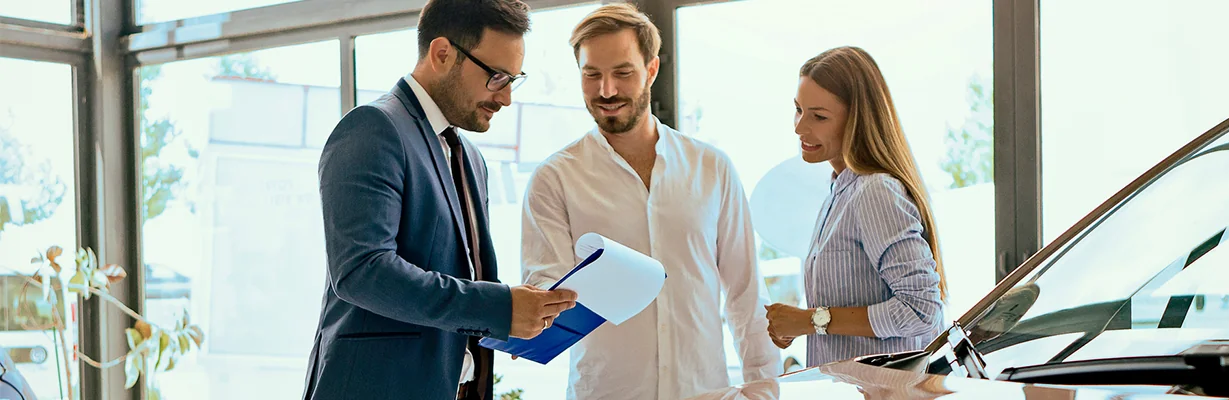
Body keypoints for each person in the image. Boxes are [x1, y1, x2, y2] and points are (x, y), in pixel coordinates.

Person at [303, 1, 577, 399]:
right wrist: (497, 308)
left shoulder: (470, 157)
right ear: (442, 54)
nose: (506, 99)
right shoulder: (372, 129)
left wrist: (517, 319)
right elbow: (362, 271)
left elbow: (456, 276)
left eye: (513, 81)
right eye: (497, 77)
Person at [519, 4, 781, 399]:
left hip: (705, 391)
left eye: (623, 73)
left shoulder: (712, 168)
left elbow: (745, 294)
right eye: (592, 75)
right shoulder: (553, 179)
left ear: (652, 70)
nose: (607, 90)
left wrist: (764, 389)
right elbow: (545, 297)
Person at [763, 46, 947, 367]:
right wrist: (801, 324)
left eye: (818, 116)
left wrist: (811, 321)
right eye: (798, 110)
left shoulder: (876, 191)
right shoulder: (839, 191)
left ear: (857, 120)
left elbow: (921, 309)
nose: (799, 128)